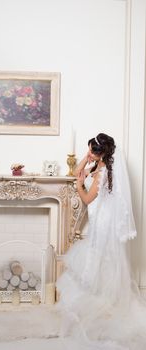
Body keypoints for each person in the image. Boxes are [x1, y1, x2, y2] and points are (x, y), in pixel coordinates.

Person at [56, 133, 146, 349]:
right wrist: (86, 158)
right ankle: (102, 297)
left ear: (101, 153)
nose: (88, 154)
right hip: (101, 218)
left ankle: (99, 301)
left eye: (91, 151)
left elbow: (87, 199)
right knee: (102, 259)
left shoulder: (101, 173)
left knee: (99, 259)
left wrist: (79, 186)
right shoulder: (101, 165)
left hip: (103, 221)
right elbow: (77, 172)